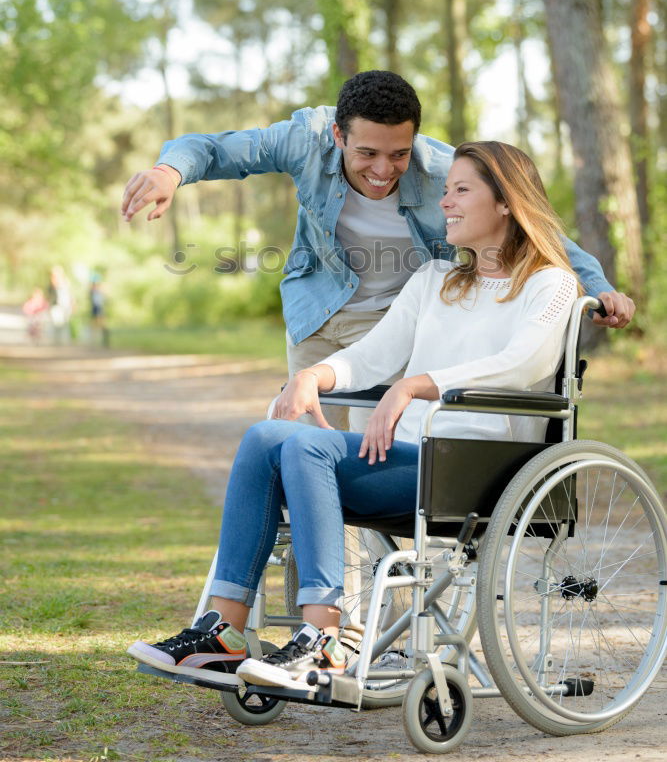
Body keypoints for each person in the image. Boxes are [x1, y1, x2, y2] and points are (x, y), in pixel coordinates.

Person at [128, 140, 589, 691]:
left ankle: (324, 640)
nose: (445, 203)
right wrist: (314, 376)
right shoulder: (435, 279)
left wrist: (416, 387)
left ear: (508, 202)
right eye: (445, 191)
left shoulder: (551, 284)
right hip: (409, 463)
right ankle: (224, 630)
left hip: (476, 467)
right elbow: (373, 354)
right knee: (265, 437)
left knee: (306, 445)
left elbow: (522, 364)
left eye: (461, 190)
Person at [120, 71, 634, 429]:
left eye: (398, 154)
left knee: (370, 456)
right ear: (339, 135)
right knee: (308, 453)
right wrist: (169, 171)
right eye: (366, 153)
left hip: (391, 325)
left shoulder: (442, 172)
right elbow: (215, 148)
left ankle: (376, 585)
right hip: (315, 317)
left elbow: (535, 223)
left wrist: (600, 286)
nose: (384, 171)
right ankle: (320, 590)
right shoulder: (305, 140)